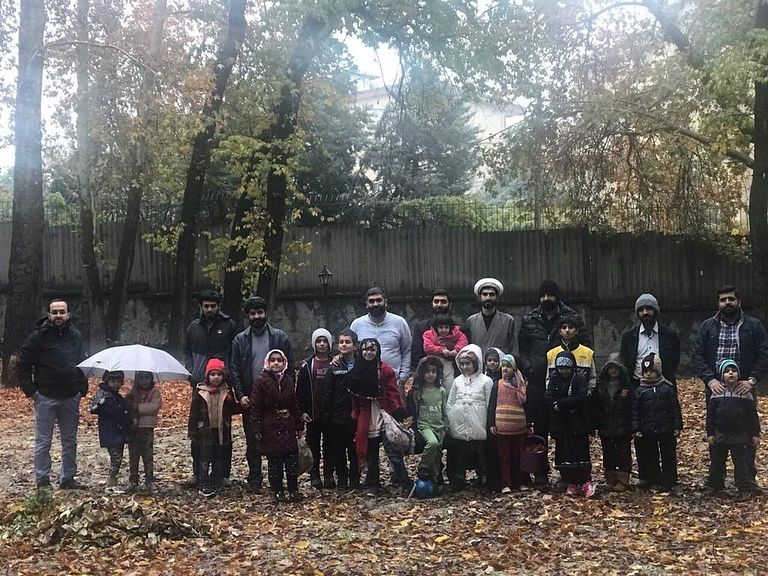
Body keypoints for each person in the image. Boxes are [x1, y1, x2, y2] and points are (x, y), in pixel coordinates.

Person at [517, 280, 590, 488]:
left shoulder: (572, 317)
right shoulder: (529, 319)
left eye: (550, 295)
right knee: (539, 428)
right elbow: (523, 348)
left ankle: (567, 473)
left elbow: (585, 344)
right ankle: (540, 472)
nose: (546, 299)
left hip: (565, 380)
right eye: (543, 295)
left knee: (564, 428)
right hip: (538, 381)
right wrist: (529, 368)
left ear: (557, 296)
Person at [692, 285, 768, 479]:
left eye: (731, 299)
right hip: (716, 388)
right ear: (718, 303)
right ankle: (716, 480)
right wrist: (710, 380)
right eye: (723, 300)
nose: (727, 303)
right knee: (716, 433)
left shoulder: (753, 326)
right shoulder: (707, 327)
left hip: (744, 387)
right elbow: (697, 355)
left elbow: (763, 354)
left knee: (747, 432)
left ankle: (747, 478)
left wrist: (751, 380)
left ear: (739, 301)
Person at [18, 299, 88, 489]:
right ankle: (42, 479)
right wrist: (31, 391)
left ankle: (68, 478)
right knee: (43, 441)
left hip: (70, 395)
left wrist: (82, 388)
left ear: (68, 315)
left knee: (70, 441)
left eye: (62, 312)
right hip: (45, 396)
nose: (58, 315)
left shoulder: (76, 336)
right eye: (55, 312)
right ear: (48, 315)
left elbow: (82, 362)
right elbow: (23, 364)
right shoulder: (37, 337)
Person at [230, 296, 293, 491]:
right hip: (251, 399)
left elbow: (290, 368)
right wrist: (240, 395)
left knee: (279, 441)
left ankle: (278, 482)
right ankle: (255, 480)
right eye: (253, 313)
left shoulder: (280, 337)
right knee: (253, 441)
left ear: (266, 313)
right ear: (247, 316)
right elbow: (234, 370)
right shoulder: (240, 340)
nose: (257, 316)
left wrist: (287, 396)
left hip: (276, 399)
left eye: (260, 312)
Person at [183, 289, 238, 488]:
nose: (209, 309)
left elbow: (234, 352)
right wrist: (192, 371)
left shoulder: (229, 325)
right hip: (199, 384)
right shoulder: (193, 327)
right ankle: (198, 473)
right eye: (206, 306)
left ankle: (222, 474)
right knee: (200, 431)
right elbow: (186, 351)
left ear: (218, 306)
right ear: (201, 306)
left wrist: (228, 374)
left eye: (213, 306)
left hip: (223, 384)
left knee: (223, 430)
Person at [347, 338, 411, 496]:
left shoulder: (385, 370)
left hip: (384, 415)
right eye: (365, 349)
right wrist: (354, 417)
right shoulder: (356, 372)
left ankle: (405, 482)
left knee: (393, 452)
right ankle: (373, 484)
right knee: (371, 454)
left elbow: (392, 392)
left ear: (377, 352)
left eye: (372, 350)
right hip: (366, 418)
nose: (368, 352)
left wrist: (398, 412)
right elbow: (354, 399)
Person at [705, 359, 762, 499]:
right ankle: (715, 485)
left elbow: (752, 416)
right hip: (720, 433)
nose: (731, 373)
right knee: (717, 462)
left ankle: (744, 487)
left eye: (734, 371)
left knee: (741, 463)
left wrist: (755, 434)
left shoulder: (745, 393)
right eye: (727, 371)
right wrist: (710, 433)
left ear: (738, 374)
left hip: (740, 435)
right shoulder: (717, 393)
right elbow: (710, 415)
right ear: (721, 376)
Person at [546, 350, 595, 498]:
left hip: (578, 424)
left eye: (567, 368)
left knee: (580, 453)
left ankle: (585, 482)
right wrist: (556, 405)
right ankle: (571, 482)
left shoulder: (579, 380)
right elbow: (548, 398)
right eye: (561, 368)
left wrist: (561, 404)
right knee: (565, 454)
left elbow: (581, 398)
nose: (564, 371)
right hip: (562, 425)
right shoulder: (554, 380)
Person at [632, 353, 683, 495]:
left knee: (668, 455)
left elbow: (675, 408)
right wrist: (636, 428)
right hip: (648, 429)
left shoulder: (667, 388)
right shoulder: (639, 391)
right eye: (646, 371)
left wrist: (677, 426)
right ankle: (654, 479)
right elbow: (635, 412)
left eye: (652, 371)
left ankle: (670, 481)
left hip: (666, 429)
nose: (648, 374)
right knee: (651, 456)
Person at [446, 344, 493, 491]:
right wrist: (450, 417)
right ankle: (458, 477)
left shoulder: (486, 381)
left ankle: (484, 476)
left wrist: (488, 421)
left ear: (476, 363)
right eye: (462, 364)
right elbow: (451, 401)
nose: (465, 367)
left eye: (468, 363)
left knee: (481, 452)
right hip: (460, 420)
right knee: (461, 450)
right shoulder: (457, 381)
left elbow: (489, 402)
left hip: (479, 420)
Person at [189, 359, 238, 498]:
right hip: (205, 430)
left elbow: (232, 409)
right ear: (208, 376)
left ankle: (215, 479)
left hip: (221, 430)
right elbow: (193, 413)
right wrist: (192, 432)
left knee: (218, 457)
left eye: (219, 374)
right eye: (213, 374)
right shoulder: (200, 392)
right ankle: (203, 482)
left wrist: (242, 405)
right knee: (204, 458)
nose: (216, 377)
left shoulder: (226, 391)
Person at [350, 287, 412, 395]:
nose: (375, 304)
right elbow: (350, 351)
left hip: (394, 383)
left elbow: (406, 351)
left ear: (385, 302)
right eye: (371, 301)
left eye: (379, 300)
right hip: (364, 383)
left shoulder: (400, 323)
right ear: (366, 304)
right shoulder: (357, 324)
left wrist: (402, 378)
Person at [322, 329, 360, 489]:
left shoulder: (361, 365)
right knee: (338, 450)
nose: (344, 345)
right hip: (337, 416)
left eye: (348, 342)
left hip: (357, 416)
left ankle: (355, 478)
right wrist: (327, 414)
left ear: (355, 346)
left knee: (355, 450)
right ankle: (342, 479)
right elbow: (327, 392)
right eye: (341, 342)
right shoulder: (334, 367)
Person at [296, 329, 334, 489]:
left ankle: (329, 474)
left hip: (331, 413)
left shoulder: (335, 362)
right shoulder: (307, 365)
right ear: (314, 344)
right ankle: (315, 475)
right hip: (313, 413)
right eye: (318, 341)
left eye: (325, 341)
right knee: (313, 445)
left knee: (330, 445)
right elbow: (301, 391)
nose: (322, 344)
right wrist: (302, 411)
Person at [620, 293, 680, 389]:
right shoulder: (628, 337)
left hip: (663, 386)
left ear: (655, 311)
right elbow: (625, 361)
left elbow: (675, 360)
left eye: (648, 309)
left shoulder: (669, 335)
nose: (645, 313)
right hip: (636, 386)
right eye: (641, 310)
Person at [592, 354, 633, 492]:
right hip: (605, 425)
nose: (613, 371)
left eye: (616, 368)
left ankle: (623, 480)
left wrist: (632, 425)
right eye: (610, 368)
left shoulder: (627, 387)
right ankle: (610, 478)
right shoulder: (600, 387)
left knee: (623, 453)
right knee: (608, 453)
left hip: (623, 426)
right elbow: (596, 407)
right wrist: (595, 424)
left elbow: (631, 407)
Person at [488, 354, 528, 494]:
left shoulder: (521, 385)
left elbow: (526, 405)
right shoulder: (497, 384)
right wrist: (491, 423)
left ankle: (520, 481)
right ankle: (506, 483)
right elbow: (492, 404)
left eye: (508, 366)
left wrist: (529, 424)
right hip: (502, 425)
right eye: (503, 366)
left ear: (515, 368)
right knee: (504, 457)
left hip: (519, 425)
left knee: (519, 456)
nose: (505, 369)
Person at [406, 356, 448, 488]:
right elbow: (414, 410)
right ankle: (423, 468)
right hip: (425, 425)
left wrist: (446, 425)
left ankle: (434, 481)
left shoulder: (441, 391)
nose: (430, 374)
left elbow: (444, 410)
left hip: (439, 426)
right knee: (432, 443)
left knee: (437, 455)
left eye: (433, 371)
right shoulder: (418, 392)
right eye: (427, 371)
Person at [88, 371, 130, 492]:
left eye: (118, 381)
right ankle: (111, 484)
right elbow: (114, 414)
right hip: (110, 432)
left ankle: (113, 483)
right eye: (113, 381)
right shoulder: (106, 398)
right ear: (107, 382)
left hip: (118, 432)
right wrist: (124, 417)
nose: (116, 384)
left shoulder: (116, 397)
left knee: (118, 458)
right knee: (116, 459)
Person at [125, 371, 162, 492]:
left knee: (147, 455)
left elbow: (154, 406)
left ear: (151, 378)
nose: (144, 381)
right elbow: (127, 405)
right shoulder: (132, 391)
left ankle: (149, 478)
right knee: (133, 455)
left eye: (147, 378)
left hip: (147, 427)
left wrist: (138, 407)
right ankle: (133, 479)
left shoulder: (154, 392)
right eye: (141, 378)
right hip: (133, 427)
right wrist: (130, 401)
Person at [545, 315, 596, 393]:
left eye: (571, 327)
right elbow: (548, 378)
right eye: (564, 327)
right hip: (558, 397)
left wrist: (589, 391)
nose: (567, 330)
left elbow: (592, 377)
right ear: (560, 331)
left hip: (581, 396)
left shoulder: (587, 352)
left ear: (577, 331)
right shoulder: (551, 353)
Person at [464, 278, 515, 355]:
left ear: (497, 297)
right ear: (480, 297)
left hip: (501, 362)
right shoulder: (471, 321)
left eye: (492, 294)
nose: (488, 298)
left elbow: (513, 349)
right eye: (485, 294)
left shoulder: (508, 321)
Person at [422, 314, 467, 392]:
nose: (444, 330)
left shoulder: (455, 333)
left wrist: (456, 350)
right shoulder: (428, 334)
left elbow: (463, 340)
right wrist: (441, 350)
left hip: (448, 363)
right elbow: (427, 347)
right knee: (433, 384)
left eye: (446, 327)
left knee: (449, 383)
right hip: (432, 363)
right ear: (436, 327)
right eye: (441, 327)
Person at [410, 289, 454, 370]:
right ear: (432, 304)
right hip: (427, 372)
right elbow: (416, 355)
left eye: (443, 302)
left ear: (450, 305)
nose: (439, 305)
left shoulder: (459, 327)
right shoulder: (421, 327)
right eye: (436, 302)